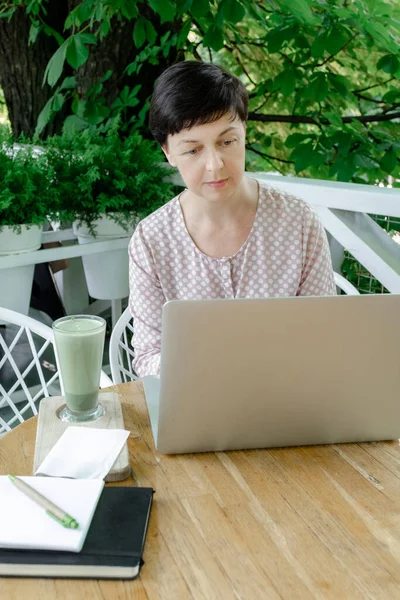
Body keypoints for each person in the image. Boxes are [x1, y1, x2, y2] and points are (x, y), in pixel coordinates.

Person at [128, 60, 336, 377]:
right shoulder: (151, 240)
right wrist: (198, 370)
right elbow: (147, 356)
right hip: (197, 404)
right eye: (192, 150)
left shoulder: (298, 222)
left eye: (227, 142)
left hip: (288, 399)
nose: (215, 166)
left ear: (244, 133)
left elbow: (324, 335)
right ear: (167, 152)